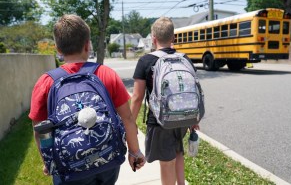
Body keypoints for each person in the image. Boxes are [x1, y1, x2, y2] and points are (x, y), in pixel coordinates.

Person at [29, 14, 145, 185]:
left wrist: (48, 162)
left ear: (57, 49)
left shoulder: (45, 82)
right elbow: (127, 118)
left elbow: (39, 131)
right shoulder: (106, 74)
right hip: (107, 161)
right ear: (87, 45)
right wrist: (134, 152)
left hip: (68, 167)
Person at [130, 16, 199, 185]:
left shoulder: (146, 61)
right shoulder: (184, 58)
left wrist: (131, 124)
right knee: (177, 152)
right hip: (183, 117)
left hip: (161, 121)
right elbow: (190, 88)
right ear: (173, 38)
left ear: (153, 38)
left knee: (167, 162)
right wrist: (193, 119)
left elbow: (137, 97)